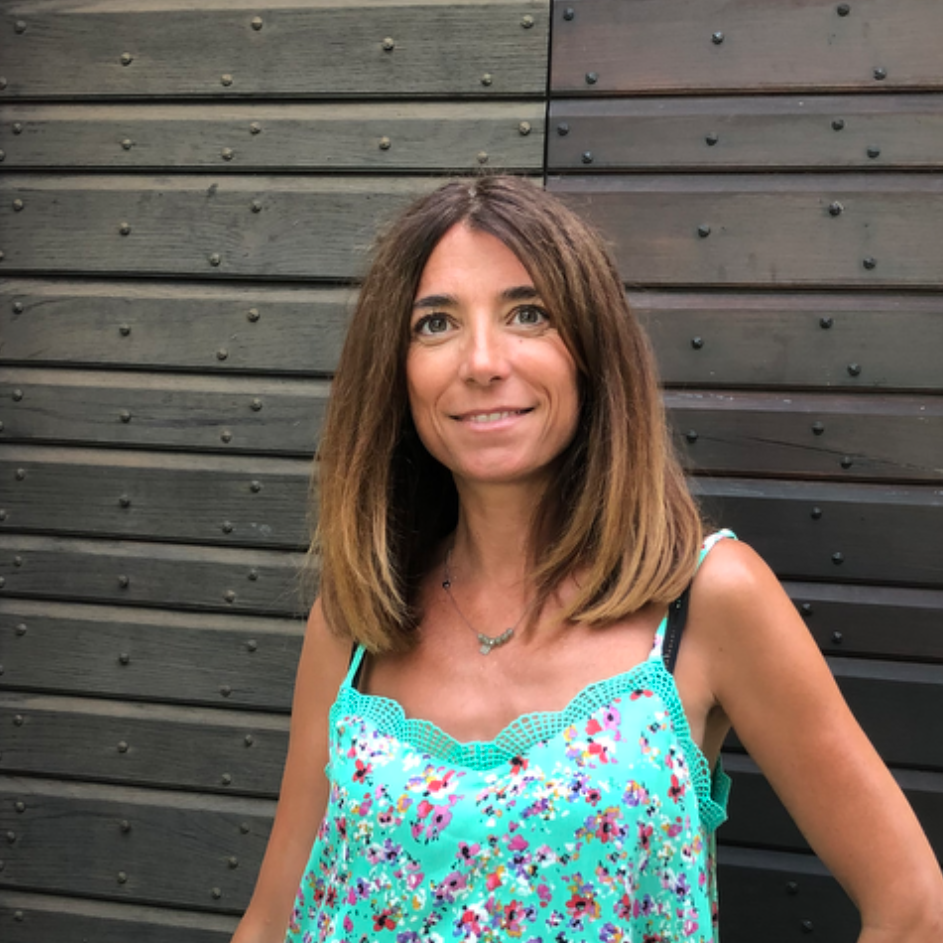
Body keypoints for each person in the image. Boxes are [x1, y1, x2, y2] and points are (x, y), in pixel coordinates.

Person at [232, 176, 943, 943]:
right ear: (394, 371)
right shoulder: (356, 622)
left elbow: (914, 909)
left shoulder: (705, 600)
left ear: (591, 351)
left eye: (527, 313)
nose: (481, 361)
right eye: (435, 323)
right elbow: (271, 922)